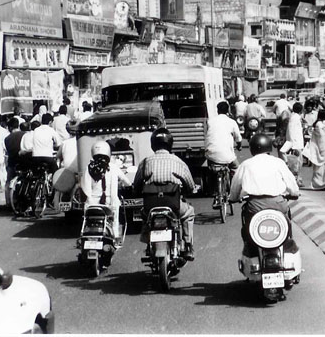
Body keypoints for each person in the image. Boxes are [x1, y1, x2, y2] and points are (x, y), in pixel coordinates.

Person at [133, 128, 197, 261]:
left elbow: (137, 185)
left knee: (145, 216)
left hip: (150, 206)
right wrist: (190, 191)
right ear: (170, 144)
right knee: (189, 212)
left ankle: (147, 243)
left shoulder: (145, 163)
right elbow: (190, 186)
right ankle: (189, 245)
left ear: (153, 144)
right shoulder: (178, 162)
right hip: (173, 205)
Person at [228, 133, 299, 251]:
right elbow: (292, 184)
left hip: (254, 206)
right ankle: (287, 243)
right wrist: (294, 193)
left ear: (252, 148)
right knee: (286, 225)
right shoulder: (278, 162)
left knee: (248, 229)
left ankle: (251, 247)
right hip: (278, 204)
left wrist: (233, 198)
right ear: (269, 147)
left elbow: (235, 186)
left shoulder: (246, 164)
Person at [81, 141, 130, 241]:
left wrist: (89, 200)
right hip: (109, 203)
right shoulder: (113, 167)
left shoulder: (88, 168)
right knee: (115, 218)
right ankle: (115, 237)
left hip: (92, 203)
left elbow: (85, 187)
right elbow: (127, 182)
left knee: (88, 220)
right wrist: (127, 185)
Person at [205, 101, 242, 209]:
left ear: (217, 110)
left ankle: (215, 193)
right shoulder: (231, 122)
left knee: (211, 170)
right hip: (227, 155)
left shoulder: (210, 121)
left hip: (211, 153)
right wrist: (239, 145)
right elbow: (238, 138)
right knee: (236, 168)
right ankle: (234, 192)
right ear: (228, 110)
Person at [303, 109, 325, 190]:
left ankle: (324, 183)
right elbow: (322, 137)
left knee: (324, 167)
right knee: (321, 168)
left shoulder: (320, 124)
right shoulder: (319, 125)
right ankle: (319, 184)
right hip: (322, 148)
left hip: (323, 147)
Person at [3, 117, 26, 205]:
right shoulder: (24, 134)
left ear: (10, 127)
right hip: (23, 163)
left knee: (8, 182)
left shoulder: (7, 138)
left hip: (12, 163)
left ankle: (8, 202)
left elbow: (8, 151)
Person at [285, 102, 305, 186]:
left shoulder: (296, 117)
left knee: (299, 163)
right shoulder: (295, 118)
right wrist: (294, 146)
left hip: (298, 143)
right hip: (296, 144)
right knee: (296, 164)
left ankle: (298, 179)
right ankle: (296, 181)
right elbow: (291, 131)